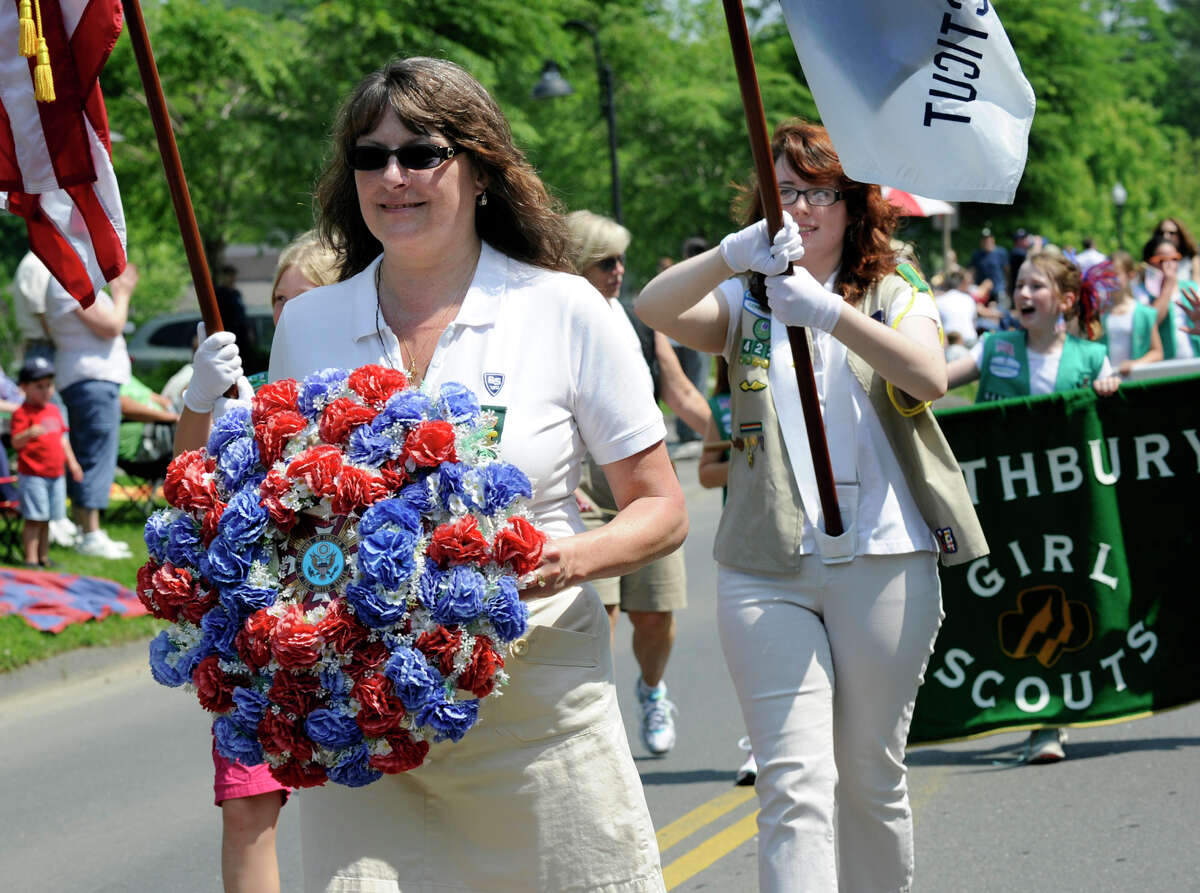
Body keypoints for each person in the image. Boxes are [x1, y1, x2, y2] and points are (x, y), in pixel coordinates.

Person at [180, 56, 685, 892]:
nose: (393, 176)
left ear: (481, 168)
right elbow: (276, 516)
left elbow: (661, 507)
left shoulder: (567, 308)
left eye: (420, 153)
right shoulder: (309, 323)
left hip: (539, 716)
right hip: (370, 737)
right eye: (370, 156)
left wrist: (563, 559)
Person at [636, 117, 987, 892]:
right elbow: (656, 307)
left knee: (868, 777)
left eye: (820, 191)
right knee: (793, 784)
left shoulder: (896, 289)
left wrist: (827, 313)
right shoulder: (745, 301)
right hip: (766, 566)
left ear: (853, 203)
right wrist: (731, 255)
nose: (801, 207)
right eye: (786, 191)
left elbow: (929, 376)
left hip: (885, 556)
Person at [948, 251, 1120, 764]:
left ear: (1064, 301)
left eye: (1036, 286)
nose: (1023, 294)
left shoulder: (1091, 358)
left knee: (1057, 607)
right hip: (1000, 510)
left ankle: (1048, 722)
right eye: (1019, 284)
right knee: (1002, 605)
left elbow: (1116, 432)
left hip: (1067, 513)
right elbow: (933, 382)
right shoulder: (993, 347)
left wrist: (1110, 390)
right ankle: (995, 704)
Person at [564, 210, 709, 758]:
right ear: (575, 264)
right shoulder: (549, 321)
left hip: (643, 476)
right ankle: (597, 720)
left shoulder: (639, 321)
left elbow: (679, 391)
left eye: (621, 260)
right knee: (596, 611)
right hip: (581, 481)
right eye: (605, 262)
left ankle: (652, 691)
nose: (619, 270)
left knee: (655, 612)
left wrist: (739, 439)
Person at [43, 261, 140, 559]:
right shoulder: (68, 278)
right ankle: (90, 533)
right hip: (91, 380)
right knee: (95, 456)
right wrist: (123, 293)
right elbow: (111, 326)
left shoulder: (70, 279)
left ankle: (84, 528)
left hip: (88, 380)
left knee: (89, 454)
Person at [10, 357, 83, 568]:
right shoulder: (22, 412)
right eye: (39, 386)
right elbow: (15, 442)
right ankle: (31, 559)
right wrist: (28, 433)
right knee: (34, 518)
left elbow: (62, 440)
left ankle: (43, 557)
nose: (45, 391)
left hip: (56, 474)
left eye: (49, 386)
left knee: (48, 518)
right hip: (33, 475)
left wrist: (73, 464)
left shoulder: (53, 410)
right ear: (24, 387)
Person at [1135, 238, 1200, 361]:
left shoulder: (1192, 288)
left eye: (1174, 258)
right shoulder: (1141, 292)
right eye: (1161, 260)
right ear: (1149, 263)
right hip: (1164, 366)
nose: (1169, 264)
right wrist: (1167, 286)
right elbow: (1149, 325)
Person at [1100, 252, 1164, 376]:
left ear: (1130, 275)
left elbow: (1157, 353)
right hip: (1107, 380)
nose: (1109, 280)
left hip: (1135, 379)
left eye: (1115, 274)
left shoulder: (1144, 313)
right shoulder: (1100, 313)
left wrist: (1136, 364)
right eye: (1106, 275)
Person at [1141, 217, 1197, 282]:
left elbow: (1197, 285)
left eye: (1172, 233)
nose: (1166, 236)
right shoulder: (1149, 260)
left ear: (1180, 234)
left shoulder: (1193, 260)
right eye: (1161, 233)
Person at [934, 267, 979, 348]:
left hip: (952, 342)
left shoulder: (938, 301)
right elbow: (974, 322)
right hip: (971, 340)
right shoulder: (969, 299)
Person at [970, 226, 1011, 309]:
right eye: (984, 239)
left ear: (993, 239)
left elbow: (1007, 270)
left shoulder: (1001, 252)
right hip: (983, 292)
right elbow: (972, 272)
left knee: (1001, 311)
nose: (987, 241)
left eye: (988, 239)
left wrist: (1008, 287)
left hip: (998, 289)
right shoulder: (977, 255)